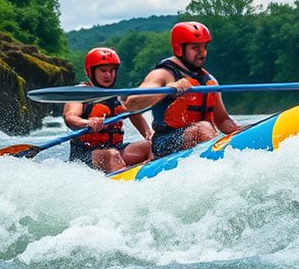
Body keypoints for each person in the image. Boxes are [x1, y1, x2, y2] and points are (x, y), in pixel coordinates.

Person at [124, 21, 239, 158]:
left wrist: (242, 132)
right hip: (165, 142)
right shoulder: (163, 74)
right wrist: (166, 89)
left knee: (205, 128)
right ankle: (219, 159)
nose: (202, 53)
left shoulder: (210, 81)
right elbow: (132, 103)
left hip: (202, 136)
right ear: (179, 49)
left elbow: (222, 121)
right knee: (202, 128)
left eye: (205, 47)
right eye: (195, 48)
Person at [64, 47, 153, 173]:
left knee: (151, 146)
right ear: (90, 72)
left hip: (114, 148)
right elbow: (70, 118)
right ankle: (124, 184)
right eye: (103, 71)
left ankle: (149, 174)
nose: (108, 75)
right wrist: (87, 123)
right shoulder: (79, 93)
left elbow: (133, 113)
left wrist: (147, 132)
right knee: (112, 155)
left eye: (112, 71)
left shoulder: (116, 96)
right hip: (85, 155)